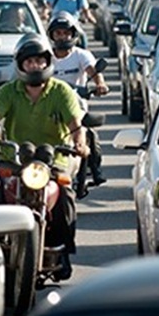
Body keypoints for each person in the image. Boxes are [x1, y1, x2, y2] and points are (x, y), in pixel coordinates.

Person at [0, 34, 88, 281]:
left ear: (48, 63)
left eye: (39, 60)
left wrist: (80, 143)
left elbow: (76, 124)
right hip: (14, 160)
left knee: (66, 197)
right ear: (20, 64)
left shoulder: (62, 91)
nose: (35, 65)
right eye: (29, 61)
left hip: (53, 160)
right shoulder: (8, 91)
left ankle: (63, 251)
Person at [49, 13, 108, 198]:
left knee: (89, 133)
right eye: (58, 33)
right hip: (49, 106)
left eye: (66, 33)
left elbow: (93, 71)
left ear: (73, 34)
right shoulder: (46, 57)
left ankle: (95, 169)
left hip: (77, 106)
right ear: (52, 35)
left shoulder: (81, 55)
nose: (62, 37)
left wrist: (100, 84)